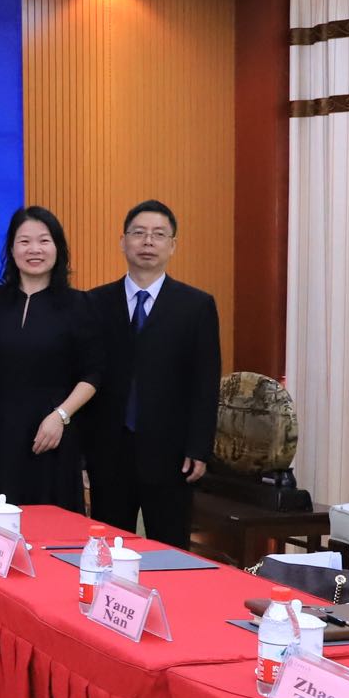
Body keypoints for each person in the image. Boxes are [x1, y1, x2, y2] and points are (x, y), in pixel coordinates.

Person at [82, 200, 222, 547]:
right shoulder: (94, 303)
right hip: (108, 449)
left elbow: (205, 384)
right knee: (107, 548)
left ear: (172, 245)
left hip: (171, 452)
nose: (148, 242)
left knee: (170, 546)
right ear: (122, 241)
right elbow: (86, 376)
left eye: (159, 235)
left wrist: (199, 447)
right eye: (139, 233)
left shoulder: (196, 306)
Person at [0, 207, 100, 510]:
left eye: (44, 241)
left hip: (51, 434)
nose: (34, 249)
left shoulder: (81, 306)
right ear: (11, 249)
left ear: (58, 248)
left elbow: (92, 374)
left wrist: (60, 417)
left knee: (53, 527)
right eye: (24, 241)